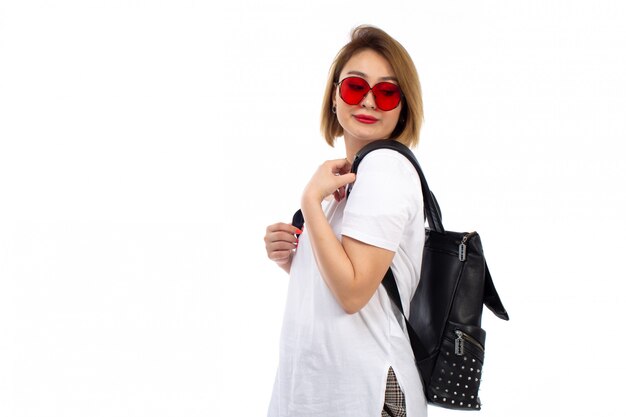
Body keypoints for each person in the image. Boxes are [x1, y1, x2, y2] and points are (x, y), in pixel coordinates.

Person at [264, 25, 426, 417]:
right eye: (356, 87)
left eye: (387, 92)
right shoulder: (351, 180)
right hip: (325, 392)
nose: (369, 101)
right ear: (335, 97)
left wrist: (310, 202)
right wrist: (295, 261)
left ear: (402, 107)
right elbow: (355, 286)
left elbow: (352, 293)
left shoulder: (384, 168)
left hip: (365, 394)